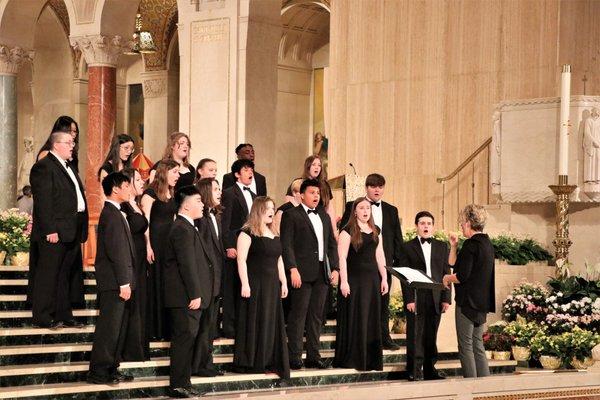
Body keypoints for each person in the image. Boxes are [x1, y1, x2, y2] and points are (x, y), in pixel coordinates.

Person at [28, 127, 88, 329]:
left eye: (73, 143)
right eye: (69, 143)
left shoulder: (68, 166)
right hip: (55, 231)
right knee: (48, 274)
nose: (73, 147)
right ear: (56, 145)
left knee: (64, 275)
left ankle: (64, 314)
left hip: (71, 229)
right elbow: (43, 202)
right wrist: (50, 230)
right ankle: (43, 316)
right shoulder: (44, 167)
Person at [339, 173, 403, 350]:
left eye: (380, 187)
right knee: (360, 306)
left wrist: (395, 264)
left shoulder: (391, 210)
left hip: (382, 264)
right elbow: (345, 231)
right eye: (374, 186)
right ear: (367, 188)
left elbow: (397, 238)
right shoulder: (352, 206)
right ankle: (360, 341)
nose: (377, 190)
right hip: (357, 265)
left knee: (382, 303)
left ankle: (384, 337)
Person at [281, 179, 339, 370]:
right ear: (302, 194)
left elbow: (331, 243)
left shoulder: (323, 214)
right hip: (301, 272)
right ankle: (295, 356)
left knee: (315, 317)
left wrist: (336, 269)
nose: (316, 196)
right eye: (312, 192)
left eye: (318, 193)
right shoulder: (291, 215)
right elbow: (287, 244)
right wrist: (292, 268)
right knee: (298, 315)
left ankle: (314, 356)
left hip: (322, 273)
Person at [233, 196, 290, 379]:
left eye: (273, 208)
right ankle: (253, 360)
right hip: (255, 284)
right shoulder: (247, 232)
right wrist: (245, 283)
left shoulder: (274, 233)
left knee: (271, 321)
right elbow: (241, 259)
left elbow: (279, 259)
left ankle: (269, 359)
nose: (272, 211)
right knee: (256, 321)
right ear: (258, 210)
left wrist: (284, 282)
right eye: (267, 208)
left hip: (272, 284)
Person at [87, 172, 136, 384]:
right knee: (109, 328)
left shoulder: (117, 212)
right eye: (126, 185)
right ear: (115, 189)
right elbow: (117, 252)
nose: (130, 189)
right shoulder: (111, 213)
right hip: (115, 283)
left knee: (119, 327)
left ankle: (112, 367)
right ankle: (99, 371)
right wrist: (124, 282)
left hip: (119, 281)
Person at [163, 185, 212, 399]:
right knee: (183, 340)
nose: (203, 204)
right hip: (184, 297)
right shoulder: (181, 228)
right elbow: (187, 264)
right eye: (199, 201)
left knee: (188, 340)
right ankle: (177, 385)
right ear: (185, 205)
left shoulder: (190, 227)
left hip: (189, 296)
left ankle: (184, 382)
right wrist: (195, 293)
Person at [334, 197, 388, 371]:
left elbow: (380, 256)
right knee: (356, 316)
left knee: (371, 317)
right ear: (355, 211)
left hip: (372, 280)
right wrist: (344, 281)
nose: (365, 211)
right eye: (362, 208)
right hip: (354, 280)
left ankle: (370, 360)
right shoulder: (348, 230)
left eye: (368, 208)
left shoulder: (375, 230)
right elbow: (341, 257)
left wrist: (384, 278)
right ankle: (353, 359)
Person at [443, 204, 495, 378]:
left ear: (468, 222)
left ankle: (470, 387)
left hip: (467, 303)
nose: (461, 226)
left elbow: (462, 276)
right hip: (482, 303)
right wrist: (454, 246)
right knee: (477, 344)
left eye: (462, 223)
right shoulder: (487, 243)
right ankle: (484, 388)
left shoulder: (471, 245)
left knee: (465, 345)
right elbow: (454, 264)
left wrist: (447, 278)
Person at [398, 211, 451, 381]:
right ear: (416, 226)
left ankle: (430, 369)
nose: (426, 226)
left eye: (429, 223)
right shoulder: (407, 247)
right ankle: (414, 370)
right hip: (417, 295)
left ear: (433, 226)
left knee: (431, 334)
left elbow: (446, 273)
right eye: (422, 223)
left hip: (436, 295)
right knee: (415, 334)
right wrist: (409, 299)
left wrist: (446, 298)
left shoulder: (442, 247)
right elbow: (404, 276)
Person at [141, 159, 180, 340]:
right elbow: (146, 222)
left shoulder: (172, 194)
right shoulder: (150, 193)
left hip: (168, 244)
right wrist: (148, 246)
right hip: (155, 242)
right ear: (164, 173)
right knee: (155, 283)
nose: (178, 176)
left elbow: (173, 220)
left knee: (167, 283)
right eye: (175, 172)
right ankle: (154, 329)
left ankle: (166, 328)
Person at [220, 159, 256, 338]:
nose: (250, 172)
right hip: (235, 244)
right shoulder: (229, 193)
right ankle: (229, 327)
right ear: (237, 174)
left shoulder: (255, 195)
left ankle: (244, 326)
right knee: (232, 286)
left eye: (251, 169)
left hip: (251, 246)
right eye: (246, 169)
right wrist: (228, 245)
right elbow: (225, 223)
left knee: (246, 284)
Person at [191, 178, 224, 377]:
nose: (220, 192)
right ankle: (199, 364)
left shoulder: (216, 216)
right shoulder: (201, 219)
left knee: (210, 324)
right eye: (216, 189)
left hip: (217, 277)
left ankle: (207, 362)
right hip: (206, 278)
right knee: (203, 324)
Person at [120, 168, 150, 360]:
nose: (142, 183)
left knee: (140, 303)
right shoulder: (124, 207)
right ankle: (130, 350)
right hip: (130, 259)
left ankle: (140, 348)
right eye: (137, 179)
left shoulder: (136, 204)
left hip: (140, 258)